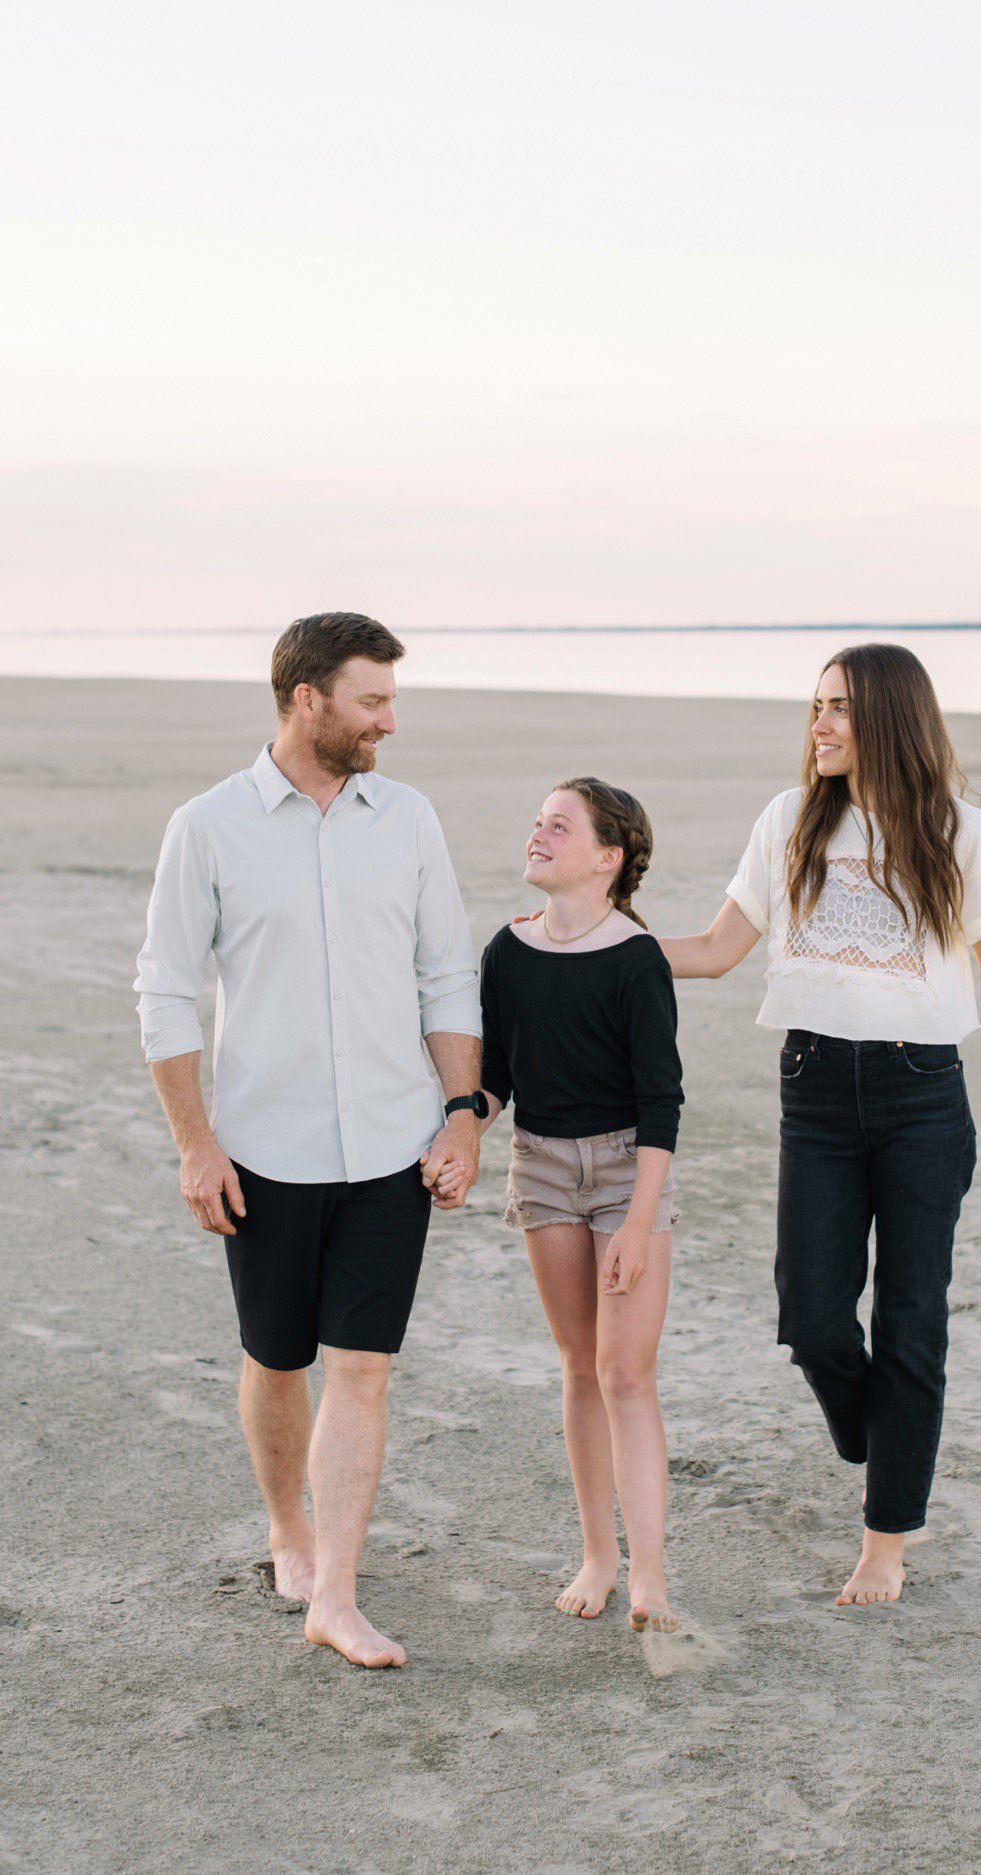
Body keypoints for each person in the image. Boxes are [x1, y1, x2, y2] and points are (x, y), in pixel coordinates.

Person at [659, 645, 981, 1607]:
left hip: (922, 1090)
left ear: (888, 716)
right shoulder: (789, 821)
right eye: (816, 707)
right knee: (810, 1312)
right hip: (815, 1086)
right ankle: (878, 1436)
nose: (821, 724)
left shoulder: (958, 829)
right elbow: (716, 950)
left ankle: (886, 1541)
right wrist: (592, 943)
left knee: (912, 1317)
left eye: (839, 707)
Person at [134, 612, 487, 1669]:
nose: (390, 720)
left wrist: (463, 1109)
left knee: (364, 1366)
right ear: (307, 700)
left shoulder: (407, 819)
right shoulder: (208, 826)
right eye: (372, 700)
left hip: (392, 1145)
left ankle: (335, 1589)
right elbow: (164, 990)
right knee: (277, 1357)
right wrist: (196, 1143)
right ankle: (287, 1527)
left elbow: (446, 972)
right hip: (264, 1151)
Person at [452, 777, 683, 1633]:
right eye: (537, 821)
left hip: (629, 1170)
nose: (538, 833)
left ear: (608, 857)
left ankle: (651, 1574)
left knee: (627, 1371)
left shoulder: (636, 958)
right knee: (579, 1364)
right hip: (541, 1167)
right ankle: (599, 1554)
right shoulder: (506, 951)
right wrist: (460, 1131)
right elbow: (497, 1075)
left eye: (560, 824)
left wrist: (635, 1219)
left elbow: (663, 1102)